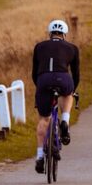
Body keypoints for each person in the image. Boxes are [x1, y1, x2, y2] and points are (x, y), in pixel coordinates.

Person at [32, 19, 80, 174]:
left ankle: (39, 157)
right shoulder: (72, 48)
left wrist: (40, 88)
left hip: (43, 80)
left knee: (44, 119)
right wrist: (73, 89)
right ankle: (65, 120)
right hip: (63, 79)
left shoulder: (39, 47)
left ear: (49, 33)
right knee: (68, 93)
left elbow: (34, 73)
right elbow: (76, 75)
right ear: (64, 34)